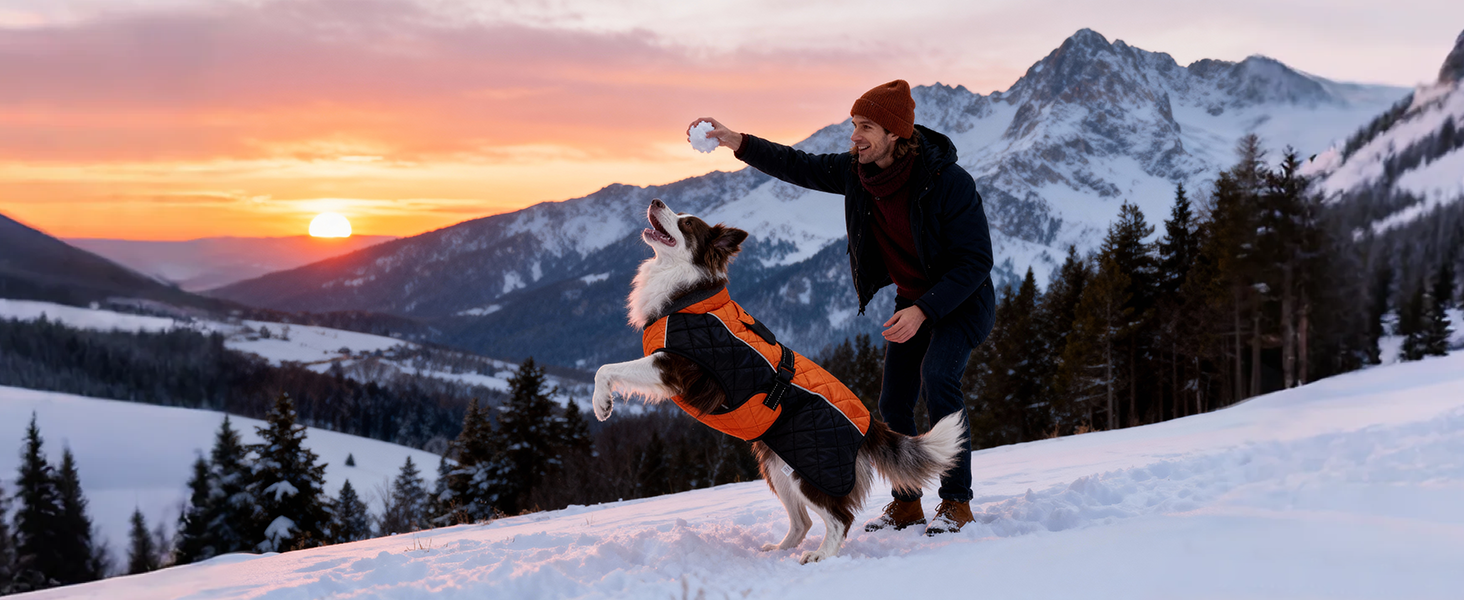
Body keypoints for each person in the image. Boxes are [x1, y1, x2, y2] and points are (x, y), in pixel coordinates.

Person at [690, 80, 995, 536]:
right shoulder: (859, 172)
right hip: (913, 301)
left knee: (938, 379)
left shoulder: (948, 182)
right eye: (854, 124)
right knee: (893, 400)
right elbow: (799, 165)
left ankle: (956, 502)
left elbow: (976, 261)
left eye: (866, 126)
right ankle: (907, 503)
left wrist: (923, 310)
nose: (855, 136)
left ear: (894, 132)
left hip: (962, 302)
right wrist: (739, 142)